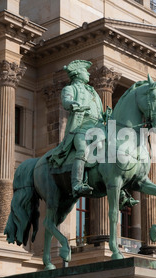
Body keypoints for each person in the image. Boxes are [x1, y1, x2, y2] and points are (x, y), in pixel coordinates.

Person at [48, 60, 103, 197]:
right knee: (82, 150)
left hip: (98, 128)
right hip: (80, 127)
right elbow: (66, 102)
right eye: (85, 71)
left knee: (115, 152)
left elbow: (100, 111)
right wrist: (73, 104)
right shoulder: (70, 89)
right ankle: (77, 184)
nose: (88, 74)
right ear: (78, 74)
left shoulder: (94, 93)